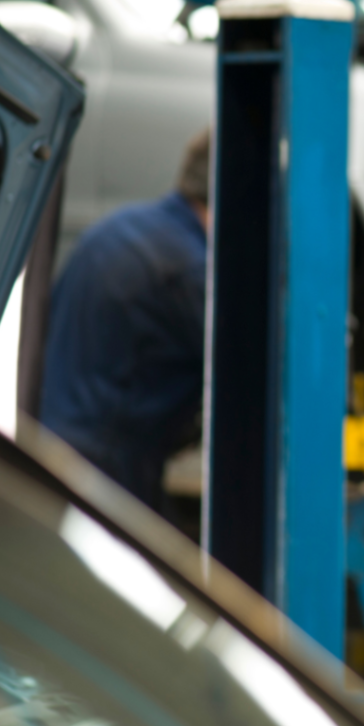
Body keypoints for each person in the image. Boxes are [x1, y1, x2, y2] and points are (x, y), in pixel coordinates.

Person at [39, 128, 210, 514]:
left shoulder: (118, 228)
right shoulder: (187, 268)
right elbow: (247, 378)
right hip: (107, 475)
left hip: (52, 447)